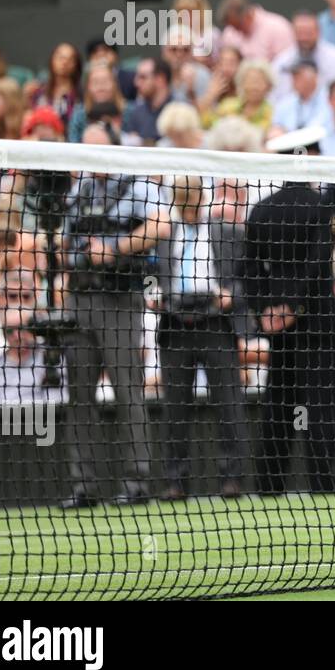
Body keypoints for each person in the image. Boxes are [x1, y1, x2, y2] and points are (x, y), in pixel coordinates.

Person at [58, 121, 171, 507]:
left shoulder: (137, 184)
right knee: (79, 395)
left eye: (97, 150)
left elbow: (162, 224)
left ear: (113, 148)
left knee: (128, 391)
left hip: (120, 300)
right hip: (80, 297)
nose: (92, 160)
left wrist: (118, 247)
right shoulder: (81, 188)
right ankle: (83, 487)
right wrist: (68, 254)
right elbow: (64, 238)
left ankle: (137, 483)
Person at [241, 125, 335, 493]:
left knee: (279, 403)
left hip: (277, 328)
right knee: (320, 403)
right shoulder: (320, 208)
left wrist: (266, 311)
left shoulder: (261, 210)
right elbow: (317, 264)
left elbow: (248, 269)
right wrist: (295, 305)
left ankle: (269, 484)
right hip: (316, 322)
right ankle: (321, 482)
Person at [152, 173, 246, 501]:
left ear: (202, 197)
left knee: (228, 403)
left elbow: (245, 276)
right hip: (174, 324)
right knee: (174, 407)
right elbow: (147, 275)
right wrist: (153, 295)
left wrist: (229, 295)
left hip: (216, 324)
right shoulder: (161, 234)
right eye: (183, 196)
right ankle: (175, 481)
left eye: (192, 195)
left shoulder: (226, 232)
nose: (188, 201)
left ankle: (232, 478)